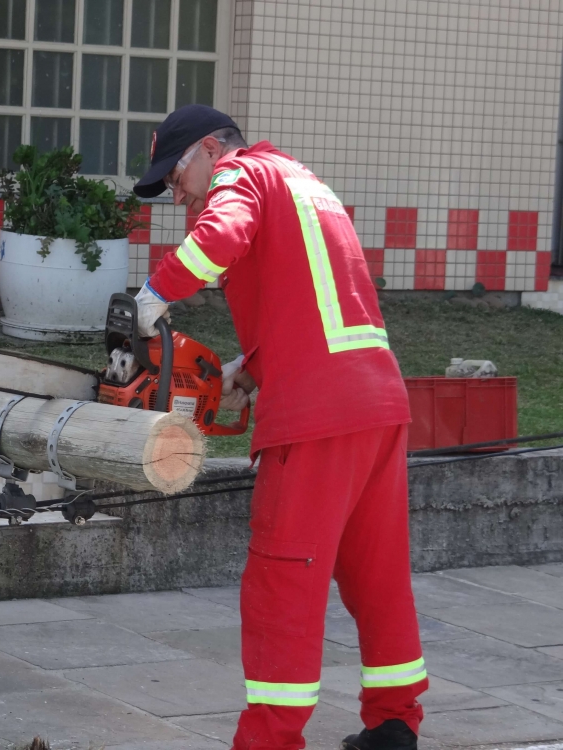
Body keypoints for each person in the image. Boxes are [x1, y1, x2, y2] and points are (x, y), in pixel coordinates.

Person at [131, 104, 427, 750]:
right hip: (378, 405)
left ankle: (267, 741)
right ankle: (395, 723)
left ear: (212, 150)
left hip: (314, 421)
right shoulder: (302, 180)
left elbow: (221, 234)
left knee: (281, 582)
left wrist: (154, 294)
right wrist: (251, 368)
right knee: (378, 575)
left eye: (177, 177)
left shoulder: (240, 177)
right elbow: (316, 302)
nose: (178, 195)